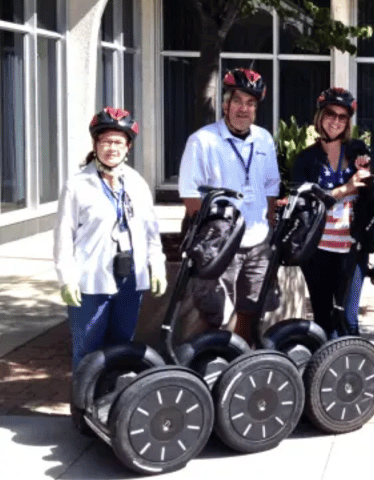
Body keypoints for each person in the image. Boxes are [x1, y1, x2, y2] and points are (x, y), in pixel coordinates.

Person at [54, 108, 167, 369]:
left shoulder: (136, 182)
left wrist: (157, 267)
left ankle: (113, 404)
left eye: (118, 142)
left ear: (128, 147)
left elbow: (151, 231)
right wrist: (67, 278)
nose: (111, 148)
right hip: (91, 281)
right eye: (105, 141)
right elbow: (63, 237)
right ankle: (82, 408)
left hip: (130, 279)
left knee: (121, 349)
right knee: (87, 352)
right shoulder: (77, 185)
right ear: (95, 145)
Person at [178, 68, 281, 345]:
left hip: (258, 240)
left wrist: (269, 228)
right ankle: (208, 363)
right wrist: (211, 238)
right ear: (225, 104)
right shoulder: (202, 141)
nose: (243, 109)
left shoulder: (264, 139)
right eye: (238, 101)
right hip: (222, 243)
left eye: (250, 103)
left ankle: (241, 362)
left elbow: (271, 186)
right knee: (214, 313)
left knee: (252, 308)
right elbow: (190, 196)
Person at [292, 87, 371, 338]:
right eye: (330, 114)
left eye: (342, 117)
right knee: (323, 318)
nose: (335, 121)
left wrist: (365, 175)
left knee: (349, 321)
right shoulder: (305, 160)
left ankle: (350, 372)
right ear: (320, 117)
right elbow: (309, 202)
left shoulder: (357, 150)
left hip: (352, 249)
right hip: (318, 250)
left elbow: (367, 187)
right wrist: (346, 189)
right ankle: (323, 374)